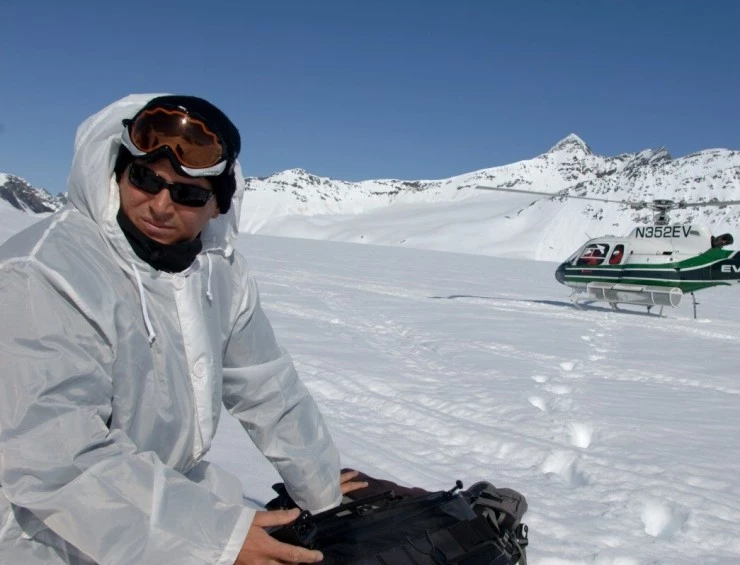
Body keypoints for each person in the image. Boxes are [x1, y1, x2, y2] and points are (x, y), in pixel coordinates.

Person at [0, 94, 365, 564]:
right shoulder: (43, 273)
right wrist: (214, 540)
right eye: (145, 178)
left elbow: (269, 390)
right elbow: (55, 453)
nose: (159, 205)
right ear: (117, 172)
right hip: (38, 533)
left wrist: (322, 490)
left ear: (217, 206)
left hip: (159, 510)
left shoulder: (218, 273)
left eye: (188, 194)